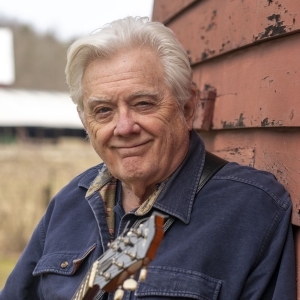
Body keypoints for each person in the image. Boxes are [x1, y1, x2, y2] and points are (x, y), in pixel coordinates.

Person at [0, 17, 296, 300]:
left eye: (143, 104)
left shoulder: (250, 209)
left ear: (188, 107)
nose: (124, 127)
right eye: (103, 110)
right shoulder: (68, 204)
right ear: (85, 120)